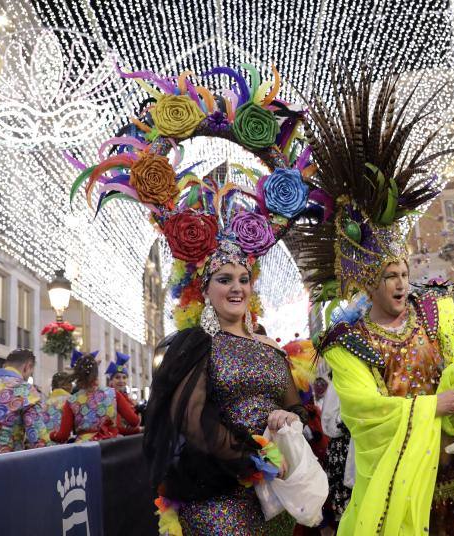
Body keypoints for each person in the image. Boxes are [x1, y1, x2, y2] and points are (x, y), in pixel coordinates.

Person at [73, 61, 316, 535]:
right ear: (203, 290)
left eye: (243, 278)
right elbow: (193, 423)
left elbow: (300, 409)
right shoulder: (196, 348)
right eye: (224, 279)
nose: (237, 288)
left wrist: (290, 418)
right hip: (218, 500)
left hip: (277, 502)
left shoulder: (272, 348)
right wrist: (253, 459)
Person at [296, 65, 454, 535]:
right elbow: (363, 412)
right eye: (388, 275)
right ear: (367, 283)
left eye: (403, 273)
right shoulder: (346, 342)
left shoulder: (437, 312)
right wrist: (433, 405)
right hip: (394, 483)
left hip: (453, 482)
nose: (400, 284)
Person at [50, 353, 140, 443]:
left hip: (85, 450)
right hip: (111, 447)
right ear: (96, 373)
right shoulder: (113, 394)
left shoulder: (71, 401)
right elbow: (134, 421)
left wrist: (52, 434)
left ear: (78, 375)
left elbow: (62, 436)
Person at [43, 371, 73, 441]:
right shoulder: (72, 401)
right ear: (68, 385)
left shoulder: (44, 404)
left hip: (45, 444)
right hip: (64, 443)